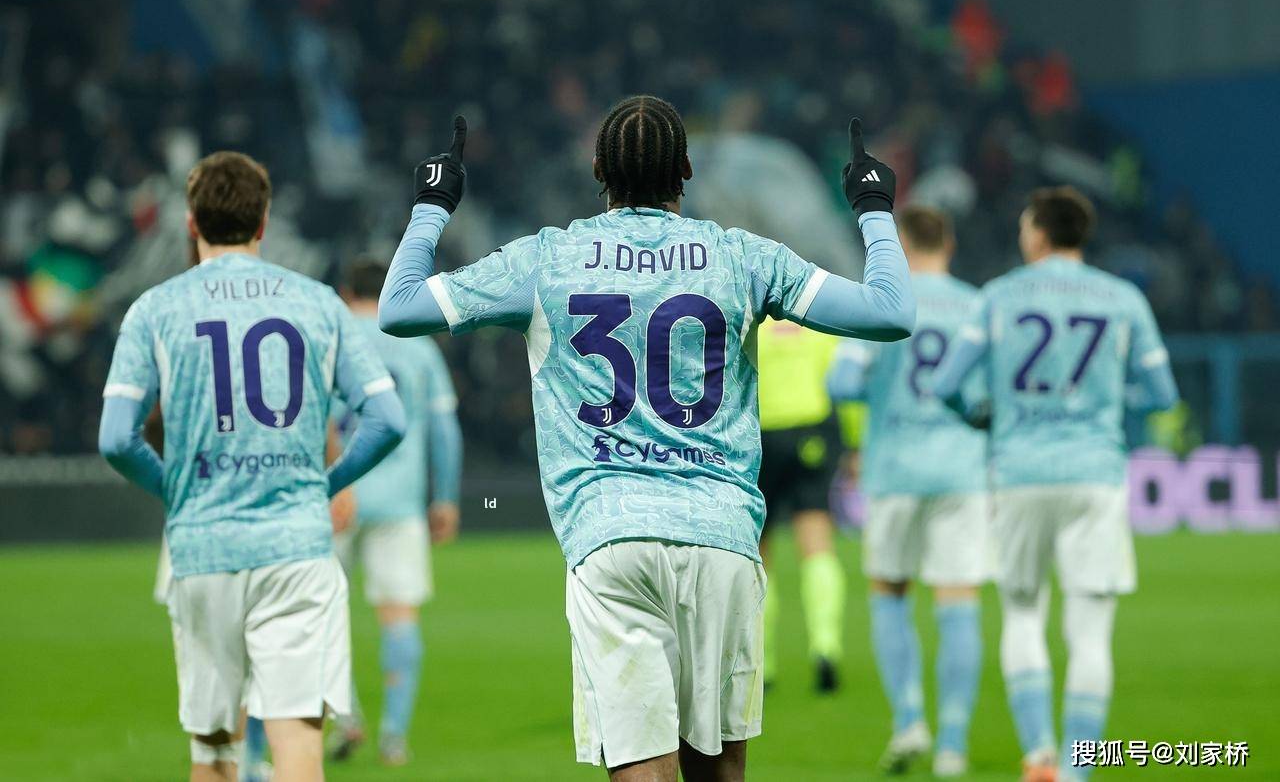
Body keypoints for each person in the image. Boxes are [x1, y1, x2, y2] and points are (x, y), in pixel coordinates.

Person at [378, 99, 915, 782]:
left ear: (597, 170)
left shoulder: (546, 259)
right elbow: (890, 311)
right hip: (721, 538)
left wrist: (433, 205)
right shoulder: (742, 257)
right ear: (686, 170)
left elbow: (399, 308)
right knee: (719, 772)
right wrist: (872, 208)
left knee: (641, 769)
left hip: (611, 538)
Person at [98, 151, 406, 782]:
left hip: (204, 548)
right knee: (299, 746)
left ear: (191, 223)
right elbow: (387, 420)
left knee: (215, 753)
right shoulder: (318, 303)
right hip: (296, 548)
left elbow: (116, 439)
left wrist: (176, 491)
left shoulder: (154, 309)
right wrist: (323, 486)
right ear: (264, 220)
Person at [929, 187, 1178, 782]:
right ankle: (1076, 771)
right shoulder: (1123, 299)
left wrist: (982, 416)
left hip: (1019, 473)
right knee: (1090, 633)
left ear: (1038, 233)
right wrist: (1106, 405)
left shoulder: (998, 297)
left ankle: (1038, 755)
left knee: (1022, 614)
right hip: (1094, 474)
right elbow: (1162, 395)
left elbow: (946, 385)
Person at [827, 205, 988, 777]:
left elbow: (841, 382)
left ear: (902, 247)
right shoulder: (976, 305)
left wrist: (880, 388)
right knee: (958, 599)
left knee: (890, 592)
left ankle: (909, 720)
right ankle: (953, 746)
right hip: (961, 472)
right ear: (949, 243)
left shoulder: (884, 298)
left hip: (894, 469)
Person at [326, 256, 463, 767]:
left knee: (320, 614)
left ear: (345, 293)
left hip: (336, 495)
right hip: (401, 500)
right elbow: (444, 428)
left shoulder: (332, 339)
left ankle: (346, 717)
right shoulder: (419, 346)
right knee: (399, 616)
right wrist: (445, 497)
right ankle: (394, 737)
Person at [755, 318, 845, 692]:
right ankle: (826, 645)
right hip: (811, 428)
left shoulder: (752, 322)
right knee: (816, 537)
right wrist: (853, 442)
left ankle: (763, 661)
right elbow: (842, 381)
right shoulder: (819, 324)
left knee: (758, 550)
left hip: (761, 430)